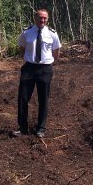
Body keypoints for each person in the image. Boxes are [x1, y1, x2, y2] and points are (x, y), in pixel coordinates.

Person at [13, 8, 61, 139]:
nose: (42, 20)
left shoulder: (52, 34)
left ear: (48, 19)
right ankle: (22, 128)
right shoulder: (26, 32)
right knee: (23, 99)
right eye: (40, 17)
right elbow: (22, 49)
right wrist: (30, 59)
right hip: (29, 69)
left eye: (45, 18)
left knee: (43, 100)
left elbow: (56, 52)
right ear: (35, 18)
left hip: (45, 69)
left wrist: (47, 62)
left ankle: (41, 129)